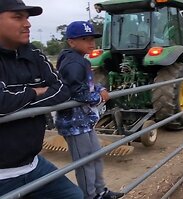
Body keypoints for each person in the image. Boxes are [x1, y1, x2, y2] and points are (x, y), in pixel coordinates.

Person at [0, 0, 83, 198]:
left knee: (75, 196)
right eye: (17, 17)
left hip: (33, 165)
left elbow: (62, 89)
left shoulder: (33, 54)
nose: (27, 24)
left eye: (27, 18)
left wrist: (17, 102)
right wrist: (35, 91)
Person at [54, 21, 124, 199]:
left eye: (92, 38)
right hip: (74, 123)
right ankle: (91, 196)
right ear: (71, 42)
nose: (91, 43)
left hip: (84, 121)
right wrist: (100, 97)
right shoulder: (72, 63)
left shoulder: (81, 60)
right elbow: (77, 92)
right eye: (85, 39)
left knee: (96, 155)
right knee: (85, 162)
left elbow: (88, 85)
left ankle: (101, 191)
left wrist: (99, 88)